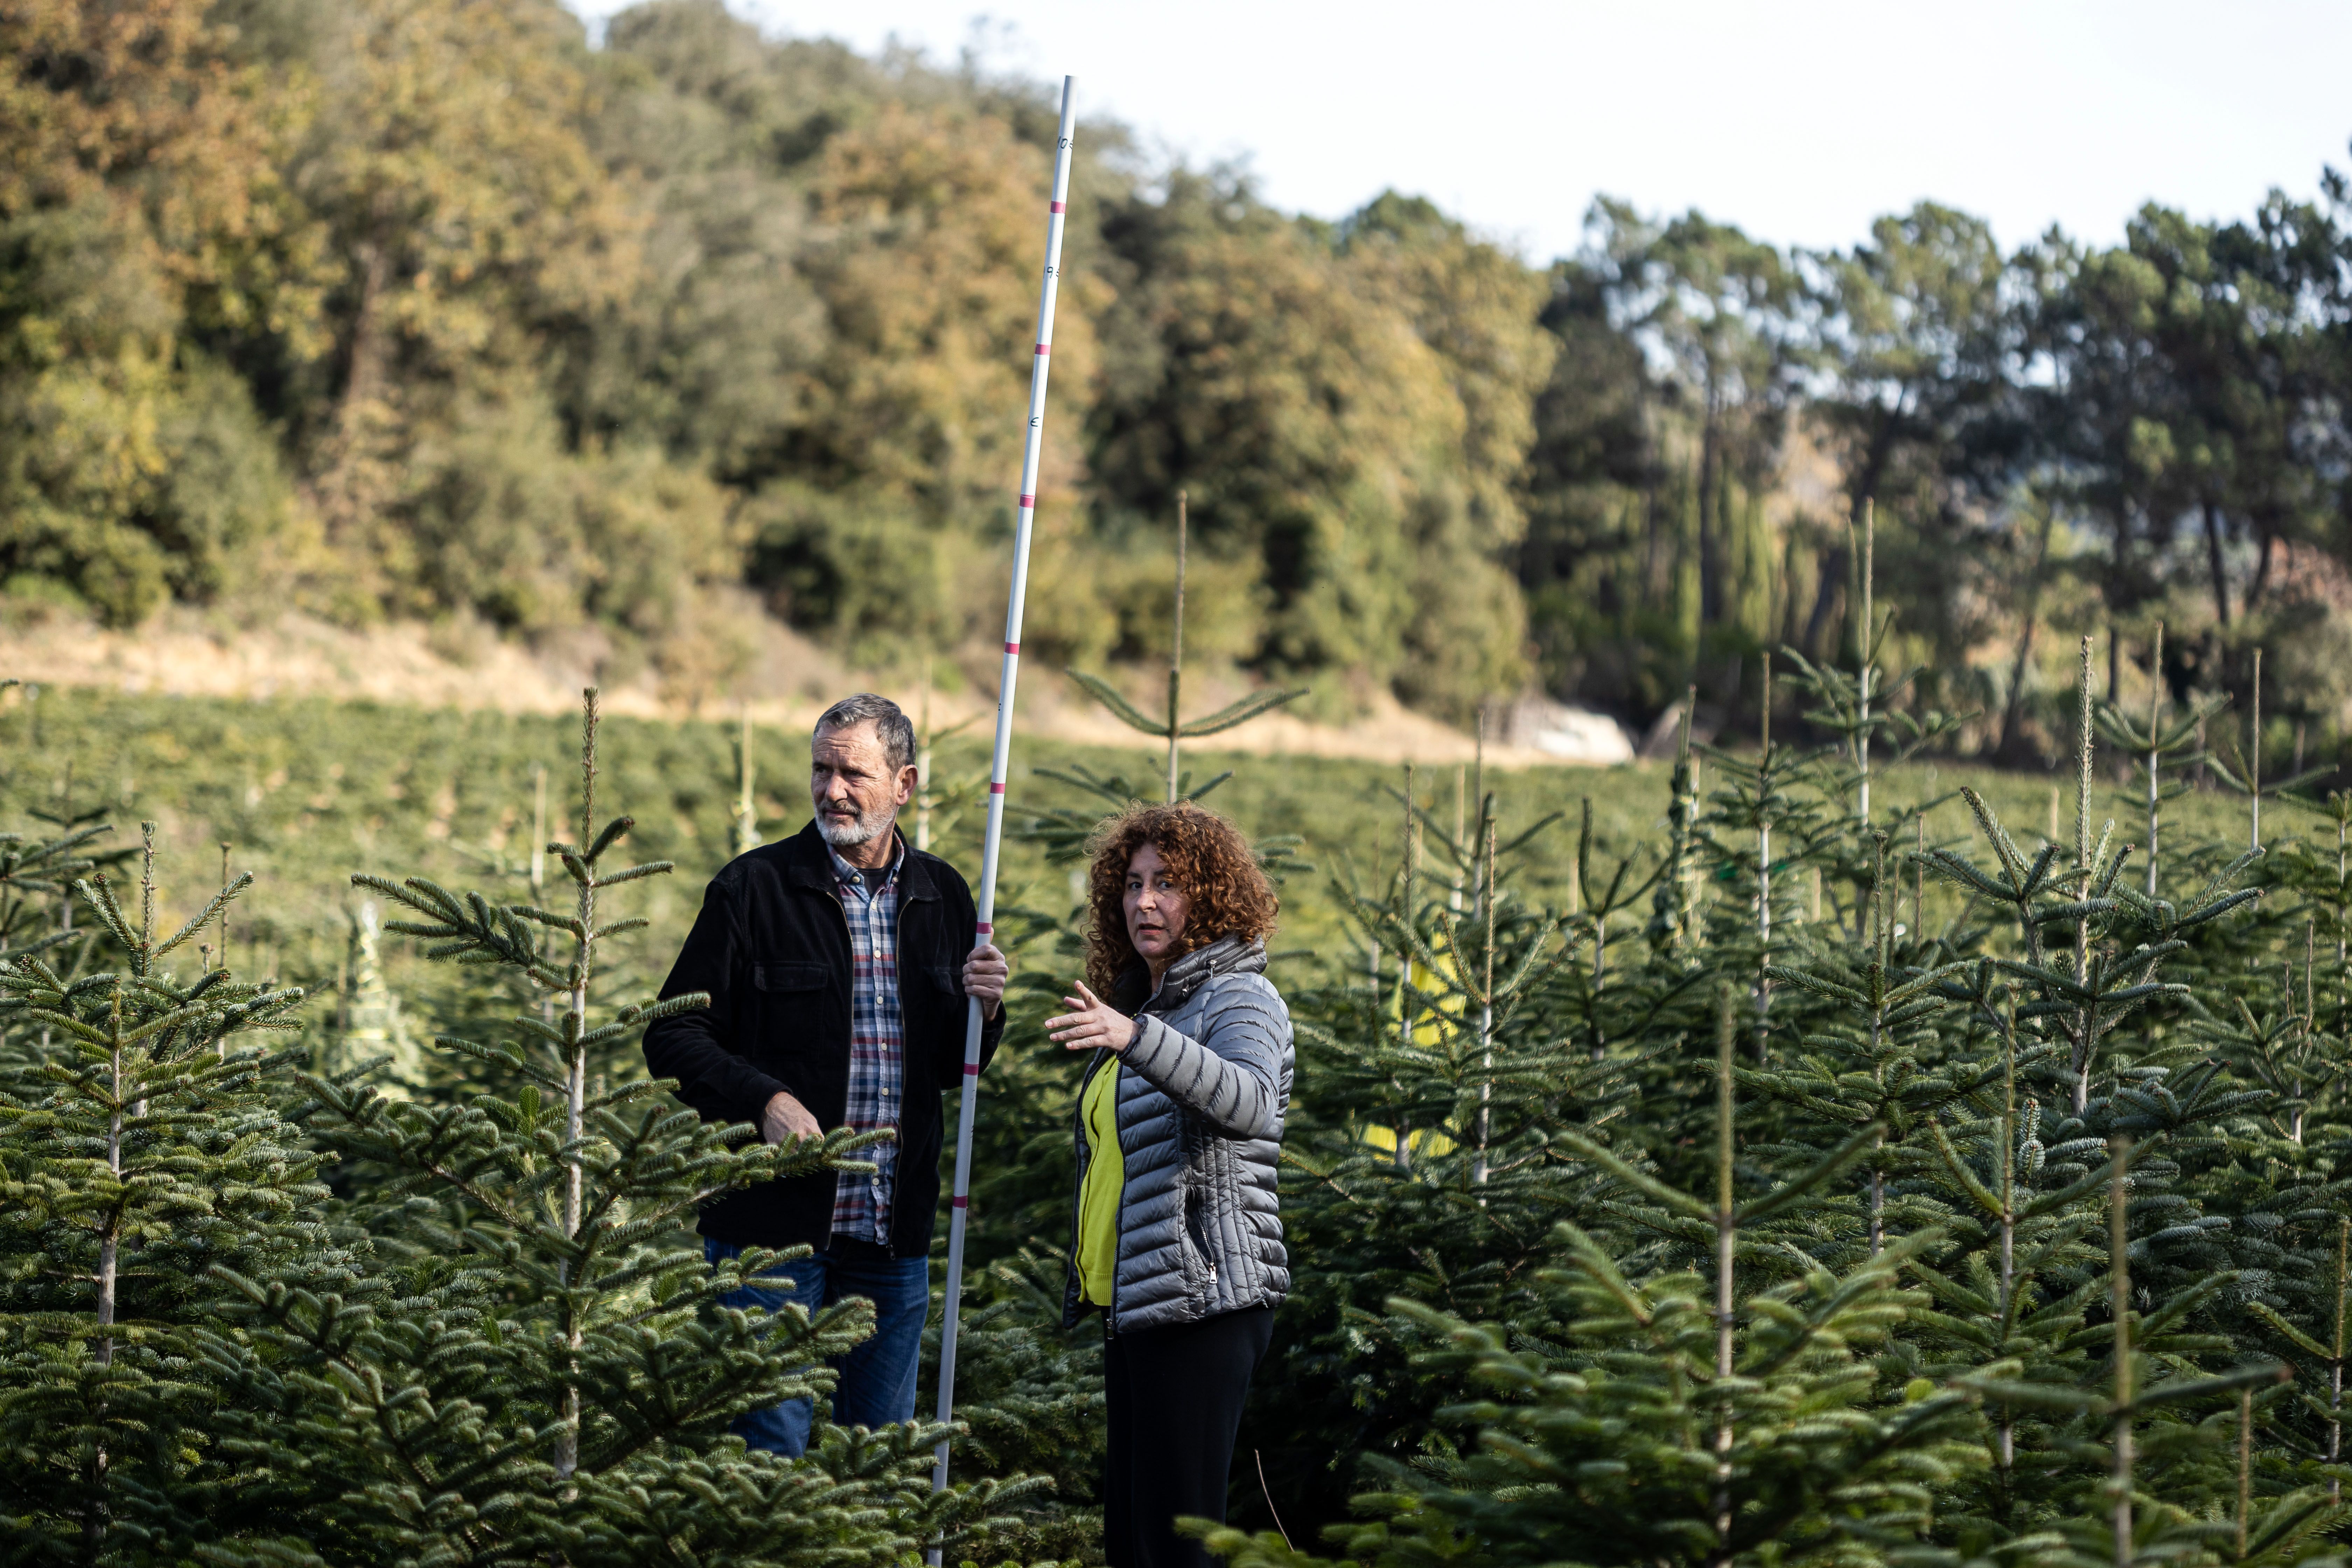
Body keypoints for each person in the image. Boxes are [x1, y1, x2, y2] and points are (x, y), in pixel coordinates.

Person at [643, 692, 1009, 1457]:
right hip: (771, 1239)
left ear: (904, 784)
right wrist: (765, 1099)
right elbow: (673, 1030)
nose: (832, 789)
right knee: (767, 1455)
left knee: (876, 1460)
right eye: (821, 768)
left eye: (853, 772)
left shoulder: (944, 897)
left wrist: (987, 1009)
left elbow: (949, 1066)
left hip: (890, 1233)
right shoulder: (753, 890)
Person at [1045, 802, 1292, 1568]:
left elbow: (1252, 1101)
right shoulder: (1144, 1002)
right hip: (1143, 1302)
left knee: (1177, 1543)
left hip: (1206, 1298)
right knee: (1137, 1538)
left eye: (1168, 884)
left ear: (1211, 895)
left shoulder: (1240, 998)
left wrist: (1137, 1038)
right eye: (1133, 882)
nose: (1144, 900)